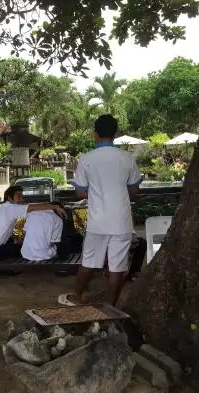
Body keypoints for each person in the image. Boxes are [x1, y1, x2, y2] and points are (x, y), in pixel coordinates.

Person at [64, 114, 142, 306]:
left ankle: (76, 297)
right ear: (115, 134)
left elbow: (80, 192)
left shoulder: (87, 159)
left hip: (97, 221)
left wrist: (96, 192)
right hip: (121, 220)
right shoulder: (127, 158)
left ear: (94, 134)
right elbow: (134, 189)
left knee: (89, 261)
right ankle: (110, 306)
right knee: (117, 266)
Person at [0, 185, 66, 261]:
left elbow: (17, 236)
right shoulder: (11, 208)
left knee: (20, 244)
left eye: (22, 197)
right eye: (19, 196)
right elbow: (31, 207)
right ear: (9, 198)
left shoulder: (3, 208)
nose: (22, 199)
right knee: (23, 246)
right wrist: (54, 207)